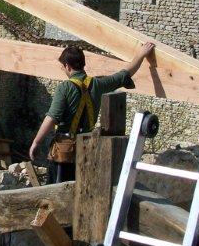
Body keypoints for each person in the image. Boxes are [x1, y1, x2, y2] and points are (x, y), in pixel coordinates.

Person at [29, 42, 156, 183]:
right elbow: (124, 75)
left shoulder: (64, 88)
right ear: (82, 65)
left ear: (67, 66)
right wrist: (141, 54)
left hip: (64, 151)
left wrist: (36, 141)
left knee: (57, 190)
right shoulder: (97, 84)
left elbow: (52, 118)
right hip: (88, 147)